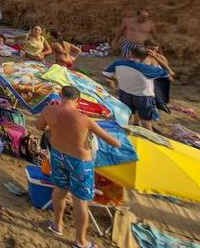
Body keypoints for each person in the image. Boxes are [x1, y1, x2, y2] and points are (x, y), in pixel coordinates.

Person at [37, 86, 122, 248]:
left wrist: (56, 130)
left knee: (59, 190)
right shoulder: (84, 119)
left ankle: (57, 225)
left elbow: (40, 127)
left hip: (57, 156)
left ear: (61, 96)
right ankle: (80, 241)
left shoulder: (49, 110)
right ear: (78, 100)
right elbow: (114, 142)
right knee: (80, 201)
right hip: (80, 162)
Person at [102, 46, 169, 131]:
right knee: (146, 123)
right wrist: (155, 57)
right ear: (145, 57)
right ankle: (148, 141)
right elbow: (167, 72)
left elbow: (105, 73)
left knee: (125, 118)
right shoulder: (146, 69)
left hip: (124, 93)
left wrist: (117, 79)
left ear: (131, 53)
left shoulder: (118, 63)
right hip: (143, 97)